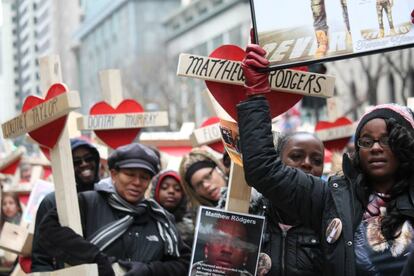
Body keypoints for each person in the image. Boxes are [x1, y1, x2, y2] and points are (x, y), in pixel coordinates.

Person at [237, 43, 414, 275]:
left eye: (387, 140)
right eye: (366, 142)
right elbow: (263, 170)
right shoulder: (333, 197)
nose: (376, 148)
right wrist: (256, 93)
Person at [37, 143, 190, 276]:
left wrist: (149, 271)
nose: (137, 182)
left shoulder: (160, 218)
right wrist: (97, 260)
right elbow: (49, 230)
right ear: (114, 174)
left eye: (144, 177)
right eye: (130, 174)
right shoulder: (87, 202)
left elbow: (184, 263)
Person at [252, 132, 324, 275]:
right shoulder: (252, 212)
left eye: (316, 160)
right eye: (296, 156)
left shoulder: (330, 218)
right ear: (277, 161)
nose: (307, 164)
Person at [31, 137, 101, 272]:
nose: (84, 164)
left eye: (89, 158)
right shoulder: (52, 202)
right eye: (76, 162)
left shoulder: (106, 196)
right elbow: (41, 258)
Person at [150, 170, 194, 246]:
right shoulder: (144, 222)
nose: (171, 191)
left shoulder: (192, 229)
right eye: (164, 187)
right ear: (156, 192)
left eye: (177, 189)